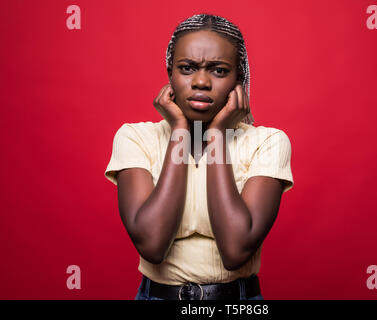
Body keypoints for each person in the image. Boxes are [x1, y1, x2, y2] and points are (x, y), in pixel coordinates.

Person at [104, 13, 294, 300]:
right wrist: (181, 130)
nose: (201, 81)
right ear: (170, 73)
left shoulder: (267, 142)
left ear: (238, 79)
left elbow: (235, 250)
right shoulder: (135, 138)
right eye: (187, 68)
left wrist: (218, 134)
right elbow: (153, 245)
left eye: (218, 70)